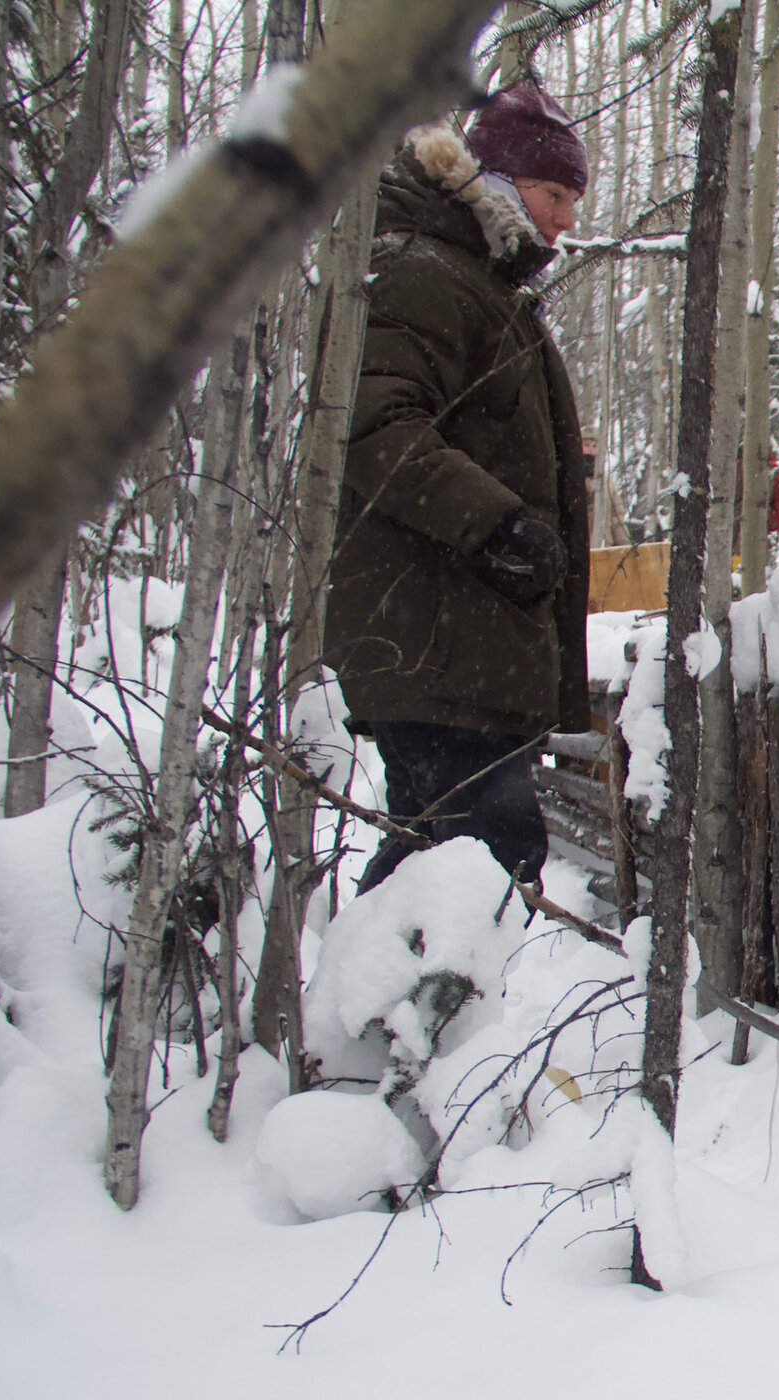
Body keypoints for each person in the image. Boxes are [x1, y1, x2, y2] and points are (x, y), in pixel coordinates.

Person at [323, 82, 591, 893]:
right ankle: (397, 1016)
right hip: (435, 639)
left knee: (440, 863)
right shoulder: (420, 273)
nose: (568, 219)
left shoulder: (477, 284)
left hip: (462, 647)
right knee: (484, 867)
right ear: (499, 183)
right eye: (555, 195)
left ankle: (370, 1015)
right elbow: (372, 427)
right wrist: (499, 527)